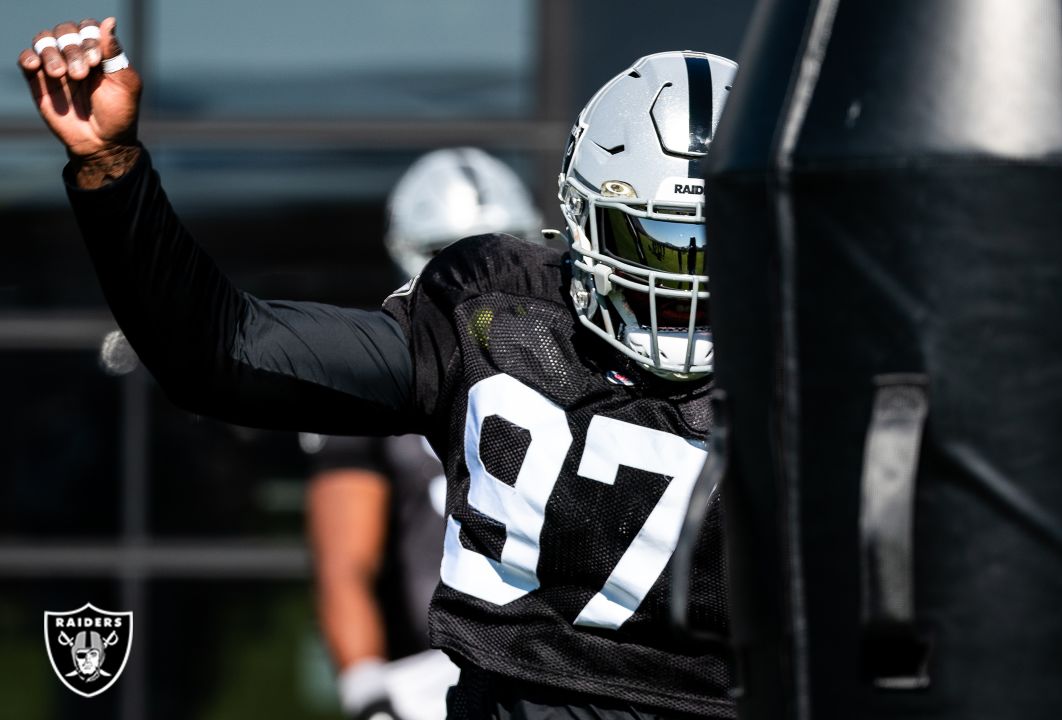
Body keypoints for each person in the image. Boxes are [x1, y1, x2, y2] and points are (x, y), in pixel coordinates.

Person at [19, 17, 737, 719]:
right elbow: (221, 353)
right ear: (582, 217)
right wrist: (109, 170)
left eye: (716, 246)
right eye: (661, 241)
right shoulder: (494, 321)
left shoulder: (814, 371)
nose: (685, 282)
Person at [305, 149, 541, 720]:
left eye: (503, 251)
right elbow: (344, 563)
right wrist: (368, 691)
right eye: (451, 258)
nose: (481, 280)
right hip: (431, 677)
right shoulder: (378, 379)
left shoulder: (560, 364)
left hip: (549, 665)